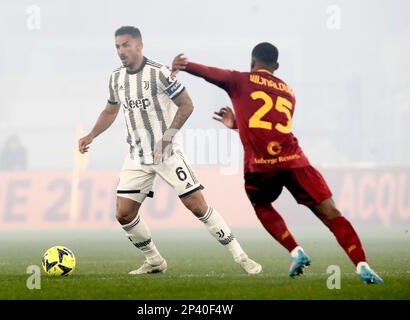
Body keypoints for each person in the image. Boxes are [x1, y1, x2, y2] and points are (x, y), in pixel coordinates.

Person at [171, 43, 383, 284]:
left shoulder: (240, 80)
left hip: (261, 166)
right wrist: (237, 125)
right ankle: (362, 264)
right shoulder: (288, 91)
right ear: (277, 67)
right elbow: (270, 125)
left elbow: (212, 73)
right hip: (294, 161)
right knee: (331, 214)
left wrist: (185, 65)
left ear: (252, 63)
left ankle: (296, 251)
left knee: (261, 204)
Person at [78, 26, 262, 275]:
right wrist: (91, 135)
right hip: (136, 156)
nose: (121, 51)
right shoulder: (116, 78)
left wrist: (166, 139)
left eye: (126, 45)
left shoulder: (160, 73)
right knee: (124, 214)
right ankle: (155, 261)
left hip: (167, 154)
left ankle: (242, 257)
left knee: (198, 207)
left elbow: (187, 105)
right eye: (117, 47)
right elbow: (111, 110)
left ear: (139, 45)